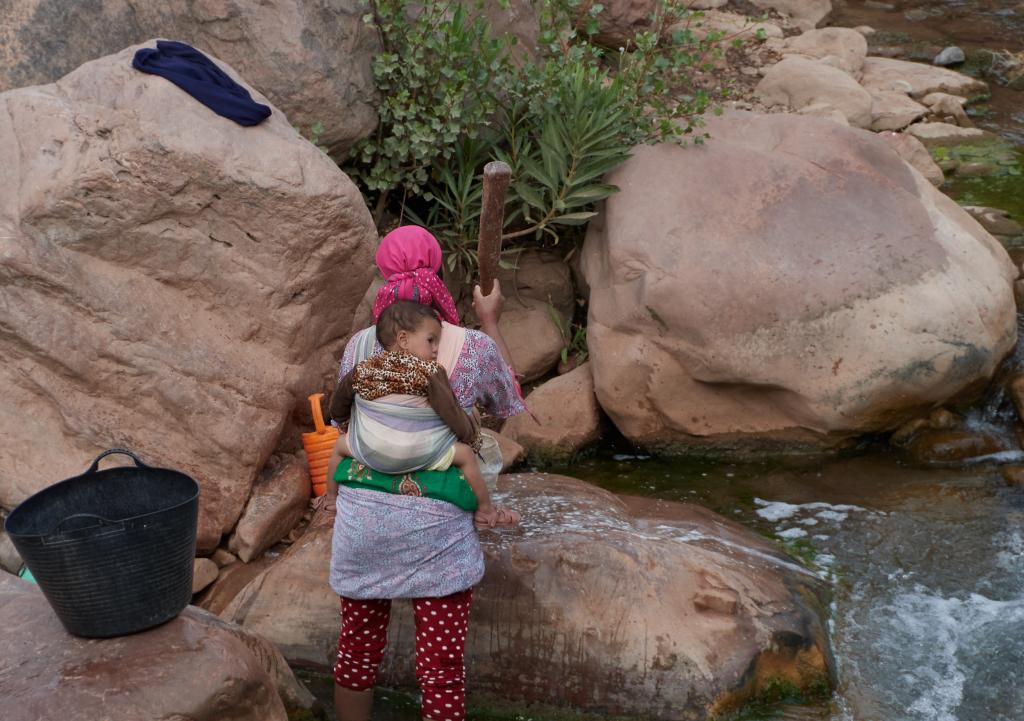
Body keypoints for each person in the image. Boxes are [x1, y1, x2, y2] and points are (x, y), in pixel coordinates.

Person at [323, 225, 526, 721]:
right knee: (440, 667)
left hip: (363, 527)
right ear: (437, 272)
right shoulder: (471, 347)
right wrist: (489, 320)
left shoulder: (359, 348)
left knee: (357, 651)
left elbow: (343, 419)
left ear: (382, 275)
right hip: (437, 532)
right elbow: (507, 402)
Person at [326, 300, 512, 528]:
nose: (436, 349)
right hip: (416, 453)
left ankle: (331, 500)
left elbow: (337, 409)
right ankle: (485, 510)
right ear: (403, 340)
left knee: (338, 449)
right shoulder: (430, 372)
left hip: (371, 451)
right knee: (465, 456)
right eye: (431, 340)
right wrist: (469, 435)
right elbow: (452, 414)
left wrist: (349, 423)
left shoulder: (362, 369)